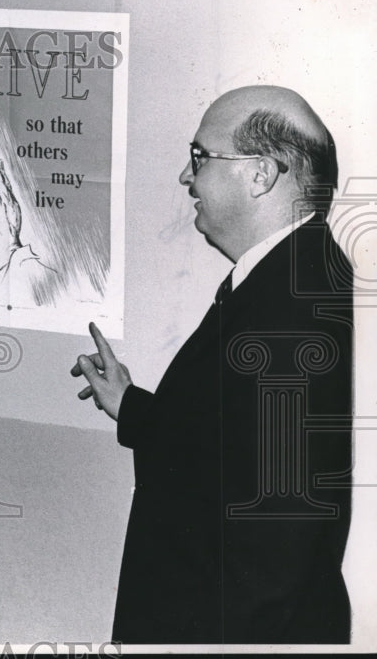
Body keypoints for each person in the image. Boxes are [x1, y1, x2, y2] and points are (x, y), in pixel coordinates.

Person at [72, 86, 353, 644]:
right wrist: (131, 405)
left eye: (201, 157)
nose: (185, 175)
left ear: (260, 175)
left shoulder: (290, 313)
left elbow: (277, 549)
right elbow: (227, 446)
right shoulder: (285, 277)